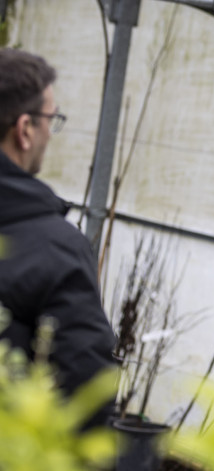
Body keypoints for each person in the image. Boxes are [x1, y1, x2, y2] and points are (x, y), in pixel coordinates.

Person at [0, 48, 117, 428]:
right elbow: (84, 403)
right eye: (51, 118)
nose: (52, 130)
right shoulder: (55, 249)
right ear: (25, 129)